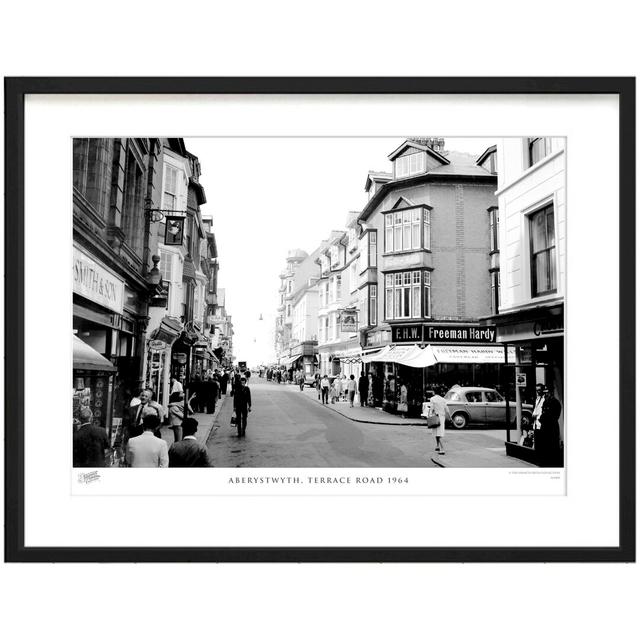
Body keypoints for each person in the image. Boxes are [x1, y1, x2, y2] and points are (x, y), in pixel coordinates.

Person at [537, 383, 562, 461]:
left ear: (551, 393)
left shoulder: (555, 403)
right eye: (545, 393)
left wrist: (543, 418)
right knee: (546, 446)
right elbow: (543, 413)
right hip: (545, 427)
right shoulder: (546, 401)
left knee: (552, 446)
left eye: (547, 392)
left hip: (551, 427)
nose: (546, 394)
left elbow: (553, 416)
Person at [429, 390, 447, 455]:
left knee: (438, 433)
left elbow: (431, 409)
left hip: (436, 417)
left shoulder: (432, 399)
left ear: (434, 392)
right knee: (438, 432)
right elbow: (446, 409)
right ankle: (437, 446)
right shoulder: (443, 400)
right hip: (442, 418)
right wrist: (450, 417)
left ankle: (442, 449)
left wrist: (430, 415)